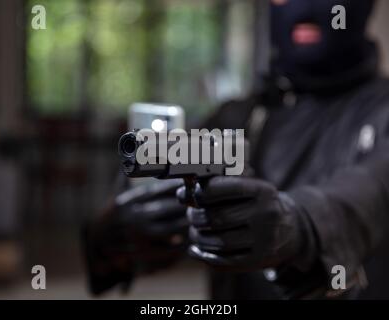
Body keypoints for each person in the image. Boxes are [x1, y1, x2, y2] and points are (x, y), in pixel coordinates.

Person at [83, 0, 389, 299]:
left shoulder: (381, 113)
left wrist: (301, 225)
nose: (303, 8)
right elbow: (128, 234)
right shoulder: (238, 117)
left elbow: (367, 196)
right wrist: (120, 233)